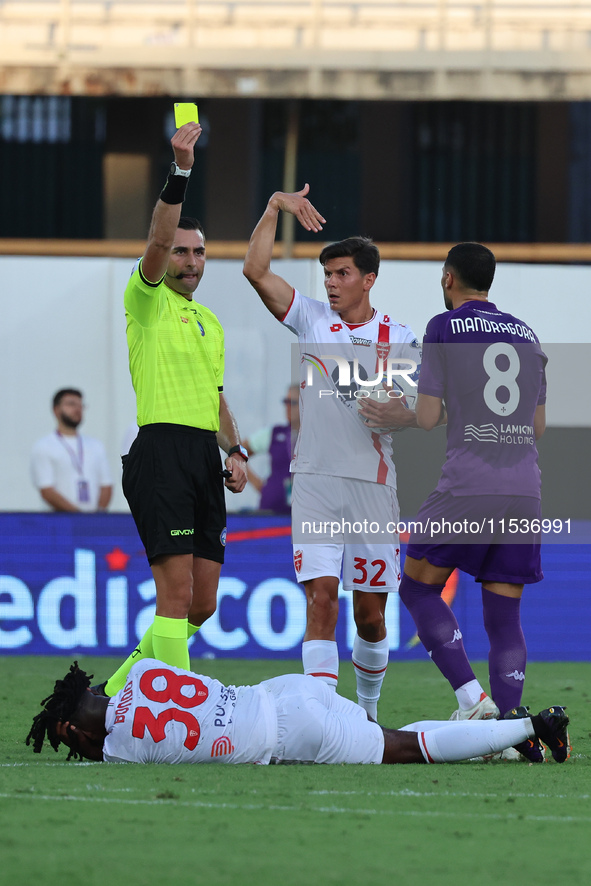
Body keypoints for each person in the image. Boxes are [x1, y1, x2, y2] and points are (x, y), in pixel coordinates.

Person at [243, 185, 421, 719]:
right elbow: (255, 270)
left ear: (369, 279)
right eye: (328, 275)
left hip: (371, 485)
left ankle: (365, 714)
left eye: (343, 274)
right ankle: (322, 718)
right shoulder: (312, 319)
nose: (332, 283)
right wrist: (274, 207)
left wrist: (401, 413)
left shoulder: (400, 336)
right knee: (320, 597)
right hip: (315, 482)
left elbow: (418, 411)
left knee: (369, 615)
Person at [96, 120, 247, 698]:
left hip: (202, 458)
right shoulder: (147, 298)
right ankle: (175, 715)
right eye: (181, 251)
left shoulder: (209, 322)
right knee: (176, 596)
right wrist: (180, 171)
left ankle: (111, 694)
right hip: (160, 450)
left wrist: (232, 450)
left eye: (199, 251)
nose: (190, 260)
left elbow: (215, 397)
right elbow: (155, 244)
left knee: (202, 604)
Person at [397, 242, 548, 762]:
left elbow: (425, 415)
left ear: (447, 278)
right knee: (504, 619)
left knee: (417, 589)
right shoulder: (528, 337)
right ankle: (507, 736)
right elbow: (537, 426)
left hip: (467, 484)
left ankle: (473, 702)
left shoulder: (443, 328)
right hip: (524, 487)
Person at [26, 659, 570, 766]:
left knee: (406, 750)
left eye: (65, 740)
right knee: (392, 734)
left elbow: (103, 746)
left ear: (75, 726)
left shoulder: (120, 749)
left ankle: (532, 725)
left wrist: (87, 743)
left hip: (287, 736)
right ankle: (504, 734)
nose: (72, 749)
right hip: (286, 690)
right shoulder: (144, 673)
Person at [30, 388, 113, 512]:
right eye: (71, 404)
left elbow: (106, 484)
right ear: (56, 409)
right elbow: (46, 490)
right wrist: (77, 517)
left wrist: (98, 516)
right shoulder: (44, 446)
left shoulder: (96, 445)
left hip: (93, 524)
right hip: (59, 523)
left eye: (81, 405)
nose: (77, 409)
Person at [243, 384, 300, 514]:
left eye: (293, 403)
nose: (288, 407)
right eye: (286, 402)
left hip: (302, 513)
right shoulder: (275, 433)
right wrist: (257, 483)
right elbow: (239, 451)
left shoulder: (316, 436)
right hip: (272, 511)